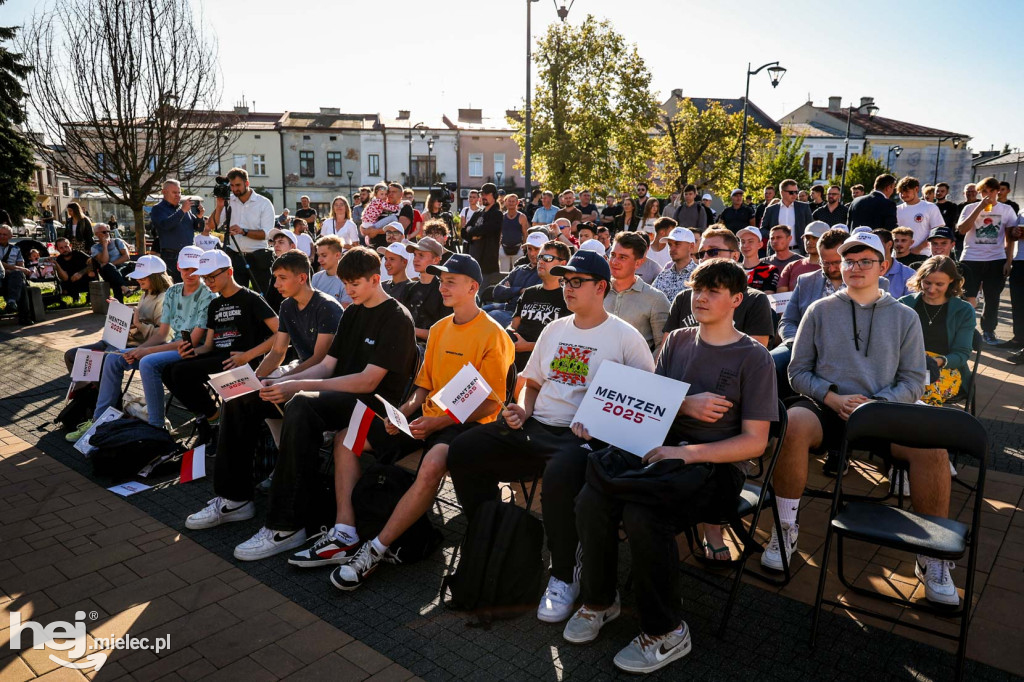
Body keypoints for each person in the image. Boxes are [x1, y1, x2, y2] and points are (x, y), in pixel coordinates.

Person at [568, 258, 777, 673]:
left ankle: (666, 631)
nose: (701, 297)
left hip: (715, 471)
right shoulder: (678, 340)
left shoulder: (755, 359)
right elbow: (652, 406)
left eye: (714, 291)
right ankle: (600, 600)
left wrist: (688, 453)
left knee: (643, 515)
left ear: (737, 299)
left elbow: (754, 442)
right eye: (698, 288)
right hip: (660, 457)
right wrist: (603, 421)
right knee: (591, 499)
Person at [447, 248, 655, 623]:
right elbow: (531, 382)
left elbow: (641, 401)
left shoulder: (625, 338)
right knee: (463, 449)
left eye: (577, 282)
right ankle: (490, 534)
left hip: (584, 439)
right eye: (565, 281)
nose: (568, 288)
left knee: (560, 476)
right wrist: (523, 408)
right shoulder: (554, 329)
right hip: (534, 426)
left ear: (600, 287)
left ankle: (563, 573)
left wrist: (602, 426)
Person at [767, 231, 960, 607]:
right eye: (849, 261)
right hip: (828, 407)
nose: (855, 268)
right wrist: (831, 395)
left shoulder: (904, 317)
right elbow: (798, 371)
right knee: (792, 425)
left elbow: (913, 381)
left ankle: (933, 557)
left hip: (883, 411)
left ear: (883, 266)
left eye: (865, 261)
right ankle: (784, 527)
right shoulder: (819, 310)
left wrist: (877, 403)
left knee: (933, 449)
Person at [189, 247, 416, 560]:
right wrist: (277, 383)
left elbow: (368, 382)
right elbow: (328, 365)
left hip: (372, 408)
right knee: (242, 396)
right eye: (346, 284)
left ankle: (287, 524)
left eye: (355, 284)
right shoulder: (353, 311)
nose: (348, 291)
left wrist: (297, 385)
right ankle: (234, 498)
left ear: (376, 280)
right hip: (340, 394)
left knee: (301, 405)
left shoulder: (396, 318)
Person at [329, 254, 515, 589]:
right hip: (426, 420)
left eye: (450, 282)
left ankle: (376, 548)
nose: (442, 287)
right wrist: (405, 411)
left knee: (431, 466)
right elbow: (423, 385)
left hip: (467, 426)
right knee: (347, 437)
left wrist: (437, 423)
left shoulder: (493, 334)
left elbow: (489, 402)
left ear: (473, 287)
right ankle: (346, 530)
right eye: (441, 281)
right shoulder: (440, 329)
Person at [86, 247, 215, 433]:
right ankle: (99, 421)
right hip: (171, 345)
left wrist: (144, 350)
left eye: (195, 269)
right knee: (114, 357)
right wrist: (139, 349)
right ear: (178, 267)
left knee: (147, 362)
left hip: (190, 351)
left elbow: (191, 342)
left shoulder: (208, 295)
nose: (190, 273)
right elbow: (161, 334)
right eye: (186, 268)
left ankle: (156, 426)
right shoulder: (173, 291)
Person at [161, 250, 278, 443]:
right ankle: (210, 417)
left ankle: (212, 421)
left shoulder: (251, 298)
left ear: (230, 272)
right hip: (218, 358)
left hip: (241, 363)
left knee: (181, 371)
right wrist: (191, 351)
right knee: (168, 370)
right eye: (205, 277)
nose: (208, 281)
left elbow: (280, 333)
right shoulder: (214, 304)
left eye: (212, 276)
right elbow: (207, 346)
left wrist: (248, 355)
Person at [663, 227, 774, 348]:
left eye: (713, 252)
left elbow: (754, 357)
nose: (704, 258)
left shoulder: (755, 300)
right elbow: (665, 352)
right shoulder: (683, 298)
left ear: (735, 257)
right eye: (701, 254)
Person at [899, 256, 974, 405]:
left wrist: (936, 362)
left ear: (952, 280)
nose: (932, 289)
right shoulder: (903, 304)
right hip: (905, 365)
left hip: (945, 368)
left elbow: (962, 353)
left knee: (923, 390)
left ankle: (918, 426)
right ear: (920, 279)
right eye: (927, 282)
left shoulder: (963, 310)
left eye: (939, 284)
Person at [957, 176, 1016, 345]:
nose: (988, 195)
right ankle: (964, 330)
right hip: (971, 258)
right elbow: (962, 230)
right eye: (984, 191)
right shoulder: (970, 208)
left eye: (991, 191)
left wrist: (1008, 261)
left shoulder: (1007, 210)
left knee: (992, 298)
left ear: (998, 192)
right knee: (967, 297)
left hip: (996, 259)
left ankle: (988, 331)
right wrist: (979, 208)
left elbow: (1010, 237)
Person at [507, 240, 571, 371]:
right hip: (514, 363)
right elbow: (514, 326)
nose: (541, 261)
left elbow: (567, 344)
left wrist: (529, 346)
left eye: (548, 258)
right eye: (540, 257)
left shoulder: (568, 298)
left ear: (562, 264)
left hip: (546, 369)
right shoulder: (529, 293)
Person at [605, 232, 670, 353]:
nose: (614, 261)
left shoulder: (656, 299)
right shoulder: (597, 291)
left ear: (639, 262)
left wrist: (643, 369)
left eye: (622, 257)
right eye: (613, 255)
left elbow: (663, 346)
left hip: (633, 369)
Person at [213, 167, 275, 294]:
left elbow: (266, 234)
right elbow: (212, 225)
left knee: (263, 297)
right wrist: (219, 207)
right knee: (236, 297)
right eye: (232, 185)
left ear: (247, 183)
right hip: (235, 257)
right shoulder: (229, 201)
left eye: (238, 185)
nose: (235, 189)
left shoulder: (264, 203)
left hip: (258, 257)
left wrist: (244, 231)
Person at [486, 231, 545, 327]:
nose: (532, 253)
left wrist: (509, 291)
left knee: (491, 316)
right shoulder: (519, 269)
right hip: (509, 308)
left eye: (536, 249)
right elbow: (497, 291)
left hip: (526, 316)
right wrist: (519, 290)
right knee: (479, 312)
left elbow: (533, 296)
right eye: (529, 249)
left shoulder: (545, 272)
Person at [150, 179, 202, 282]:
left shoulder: (183, 209)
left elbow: (199, 228)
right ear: (164, 192)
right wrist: (182, 211)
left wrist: (200, 217)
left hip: (190, 256)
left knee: (192, 286)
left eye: (179, 192)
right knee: (176, 287)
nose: (178, 195)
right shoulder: (158, 209)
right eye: (174, 192)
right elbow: (166, 225)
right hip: (172, 256)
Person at [403, 235, 451, 343]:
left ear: (436, 260)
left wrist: (411, 330)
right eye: (415, 255)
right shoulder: (409, 288)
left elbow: (444, 332)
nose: (415, 259)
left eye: (421, 255)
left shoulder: (443, 290)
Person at [463, 183, 503, 285]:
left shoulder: (497, 214)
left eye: (486, 194)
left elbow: (485, 230)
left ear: (494, 195)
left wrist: (471, 230)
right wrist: (474, 235)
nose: (483, 197)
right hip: (473, 260)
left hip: (487, 263)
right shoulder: (478, 213)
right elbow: (463, 233)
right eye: (482, 194)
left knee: (484, 294)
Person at [896, 176, 945, 257]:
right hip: (900, 255)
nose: (903, 195)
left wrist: (919, 248)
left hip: (922, 254)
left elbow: (937, 231)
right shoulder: (897, 210)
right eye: (901, 192)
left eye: (906, 191)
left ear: (916, 189)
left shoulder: (930, 207)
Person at [761, 180, 814, 252]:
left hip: (798, 251)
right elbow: (763, 230)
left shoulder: (804, 207)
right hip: (776, 252)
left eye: (796, 192)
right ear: (782, 193)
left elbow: (811, 228)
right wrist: (774, 234)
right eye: (791, 192)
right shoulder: (771, 209)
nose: (795, 195)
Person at [777, 222, 828, 292]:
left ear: (826, 240)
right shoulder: (791, 267)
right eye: (807, 238)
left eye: (815, 238)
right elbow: (781, 298)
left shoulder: (833, 267)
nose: (809, 242)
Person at [652, 226, 697, 304]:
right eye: (670, 244)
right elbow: (650, 300)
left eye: (677, 244)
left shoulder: (699, 275)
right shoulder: (663, 275)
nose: (672, 248)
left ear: (691, 246)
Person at [89, 223, 131, 303]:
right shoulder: (95, 248)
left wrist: (111, 265)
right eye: (104, 232)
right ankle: (124, 289)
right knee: (111, 271)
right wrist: (105, 246)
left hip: (122, 268)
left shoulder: (117, 242)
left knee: (114, 276)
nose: (107, 233)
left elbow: (126, 257)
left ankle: (119, 307)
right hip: (106, 271)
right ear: (96, 234)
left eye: (108, 231)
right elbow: (104, 261)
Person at [872, 229, 914, 298]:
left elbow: (911, 304)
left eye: (876, 243)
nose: (872, 247)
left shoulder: (909, 275)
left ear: (889, 244)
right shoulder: (859, 271)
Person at [312, 235, 352, 307]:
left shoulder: (348, 280)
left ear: (337, 255)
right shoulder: (316, 277)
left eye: (324, 255)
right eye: (318, 255)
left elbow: (344, 311)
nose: (319, 260)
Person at [50, 237, 93, 303]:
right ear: (57, 249)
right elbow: (65, 278)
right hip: (71, 281)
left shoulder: (79, 254)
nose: (64, 249)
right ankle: (75, 298)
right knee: (65, 285)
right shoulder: (59, 259)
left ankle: (91, 297)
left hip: (84, 278)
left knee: (92, 273)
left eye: (66, 246)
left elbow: (93, 263)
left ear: (70, 246)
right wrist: (56, 265)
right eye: (61, 248)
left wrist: (81, 273)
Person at [738, 226, 778, 293]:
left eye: (750, 241)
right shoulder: (733, 269)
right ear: (739, 245)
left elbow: (768, 296)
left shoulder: (770, 269)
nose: (745, 245)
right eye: (743, 242)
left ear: (760, 245)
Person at [0, 226, 30, 315]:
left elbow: (21, 265)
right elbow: (0, 263)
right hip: (0, 277)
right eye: (0, 234)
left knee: (19, 279)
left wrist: (17, 269)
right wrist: (17, 268)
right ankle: (23, 314)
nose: (1, 236)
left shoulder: (16, 249)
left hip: (12, 277)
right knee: (20, 285)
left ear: (10, 236)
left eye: (4, 234)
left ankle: (12, 303)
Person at [500, 193, 530, 273]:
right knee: (503, 272)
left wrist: (524, 247)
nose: (511, 203)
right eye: (509, 201)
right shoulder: (502, 217)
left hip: (518, 248)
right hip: (504, 248)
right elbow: (499, 233)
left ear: (517, 203)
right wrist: (498, 247)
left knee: (517, 272)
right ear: (505, 202)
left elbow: (525, 233)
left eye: (513, 201)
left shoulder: (522, 216)